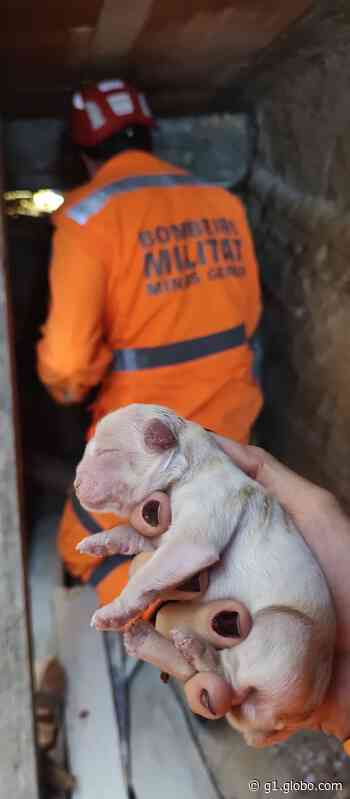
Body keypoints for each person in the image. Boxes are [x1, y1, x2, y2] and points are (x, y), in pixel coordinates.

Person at [37, 79, 262, 609]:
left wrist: (71, 394)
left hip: (144, 449)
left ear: (82, 153)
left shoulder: (88, 218)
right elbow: (248, 318)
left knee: (82, 549)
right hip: (231, 436)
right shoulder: (222, 203)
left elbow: (66, 366)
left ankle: (176, 624)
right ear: (149, 138)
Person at [122, 438, 350, 752]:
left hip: (276, 665)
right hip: (279, 675)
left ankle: (214, 667)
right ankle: (214, 667)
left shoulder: (213, 484)